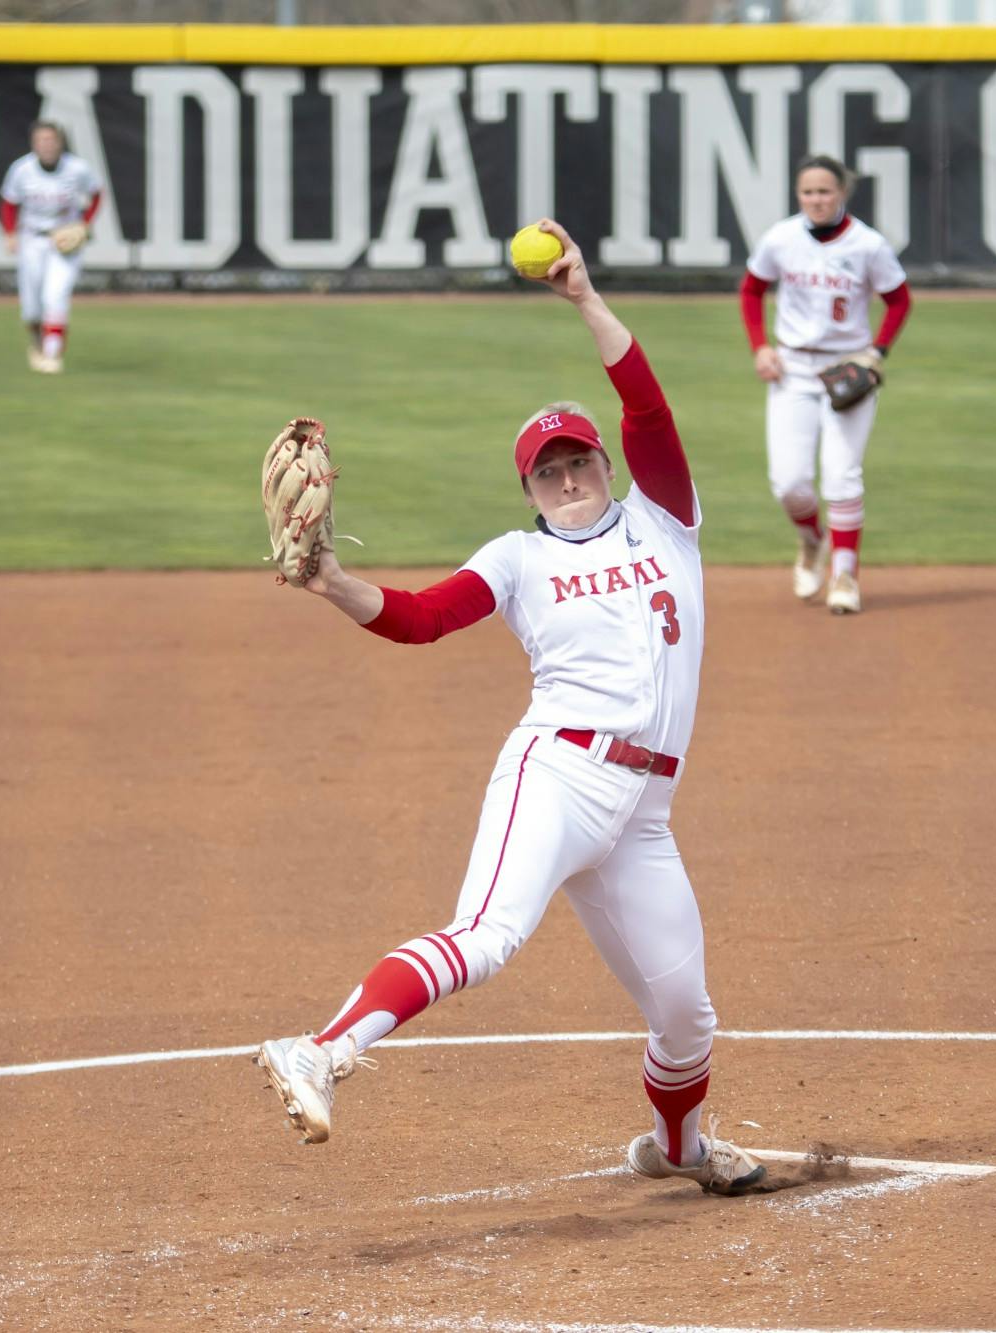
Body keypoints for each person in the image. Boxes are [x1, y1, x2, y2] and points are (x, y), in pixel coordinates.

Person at [254, 220, 767, 1197]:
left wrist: (582, 295)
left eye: (579, 460)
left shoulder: (667, 524)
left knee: (685, 1017)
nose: (569, 476)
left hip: (643, 814)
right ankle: (316, 1051)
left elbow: (647, 411)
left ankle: (680, 1148)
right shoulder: (516, 557)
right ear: (527, 487)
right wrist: (330, 581)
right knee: (486, 935)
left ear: (604, 468)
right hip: (558, 774)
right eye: (548, 469)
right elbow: (421, 618)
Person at [739, 154, 912, 615]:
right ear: (799, 195)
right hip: (792, 369)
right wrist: (760, 346)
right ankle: (810, 537)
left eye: (825, 191)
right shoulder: (782, 237)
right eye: (808, 191)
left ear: (842, 193)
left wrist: (877, 352)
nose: (816, 199)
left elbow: (899, 300)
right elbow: (752, 289)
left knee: (841, 475)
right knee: (790, 483)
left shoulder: (868, 245)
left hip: (846, 372)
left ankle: (845, 575)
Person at [0, 121, 102, 375]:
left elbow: (96, 194)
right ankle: (38, 342)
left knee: (55, 296)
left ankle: (52, 354)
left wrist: (84, 225)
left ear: (60, 142)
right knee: (32, 307)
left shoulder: (77, 168)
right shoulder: (22, 169)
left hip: (65, 241)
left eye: (51, 140)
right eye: (42, 140)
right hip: (32, 239)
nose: (47, 145)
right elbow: (9, 202)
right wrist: (10, 233)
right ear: (34, 144)